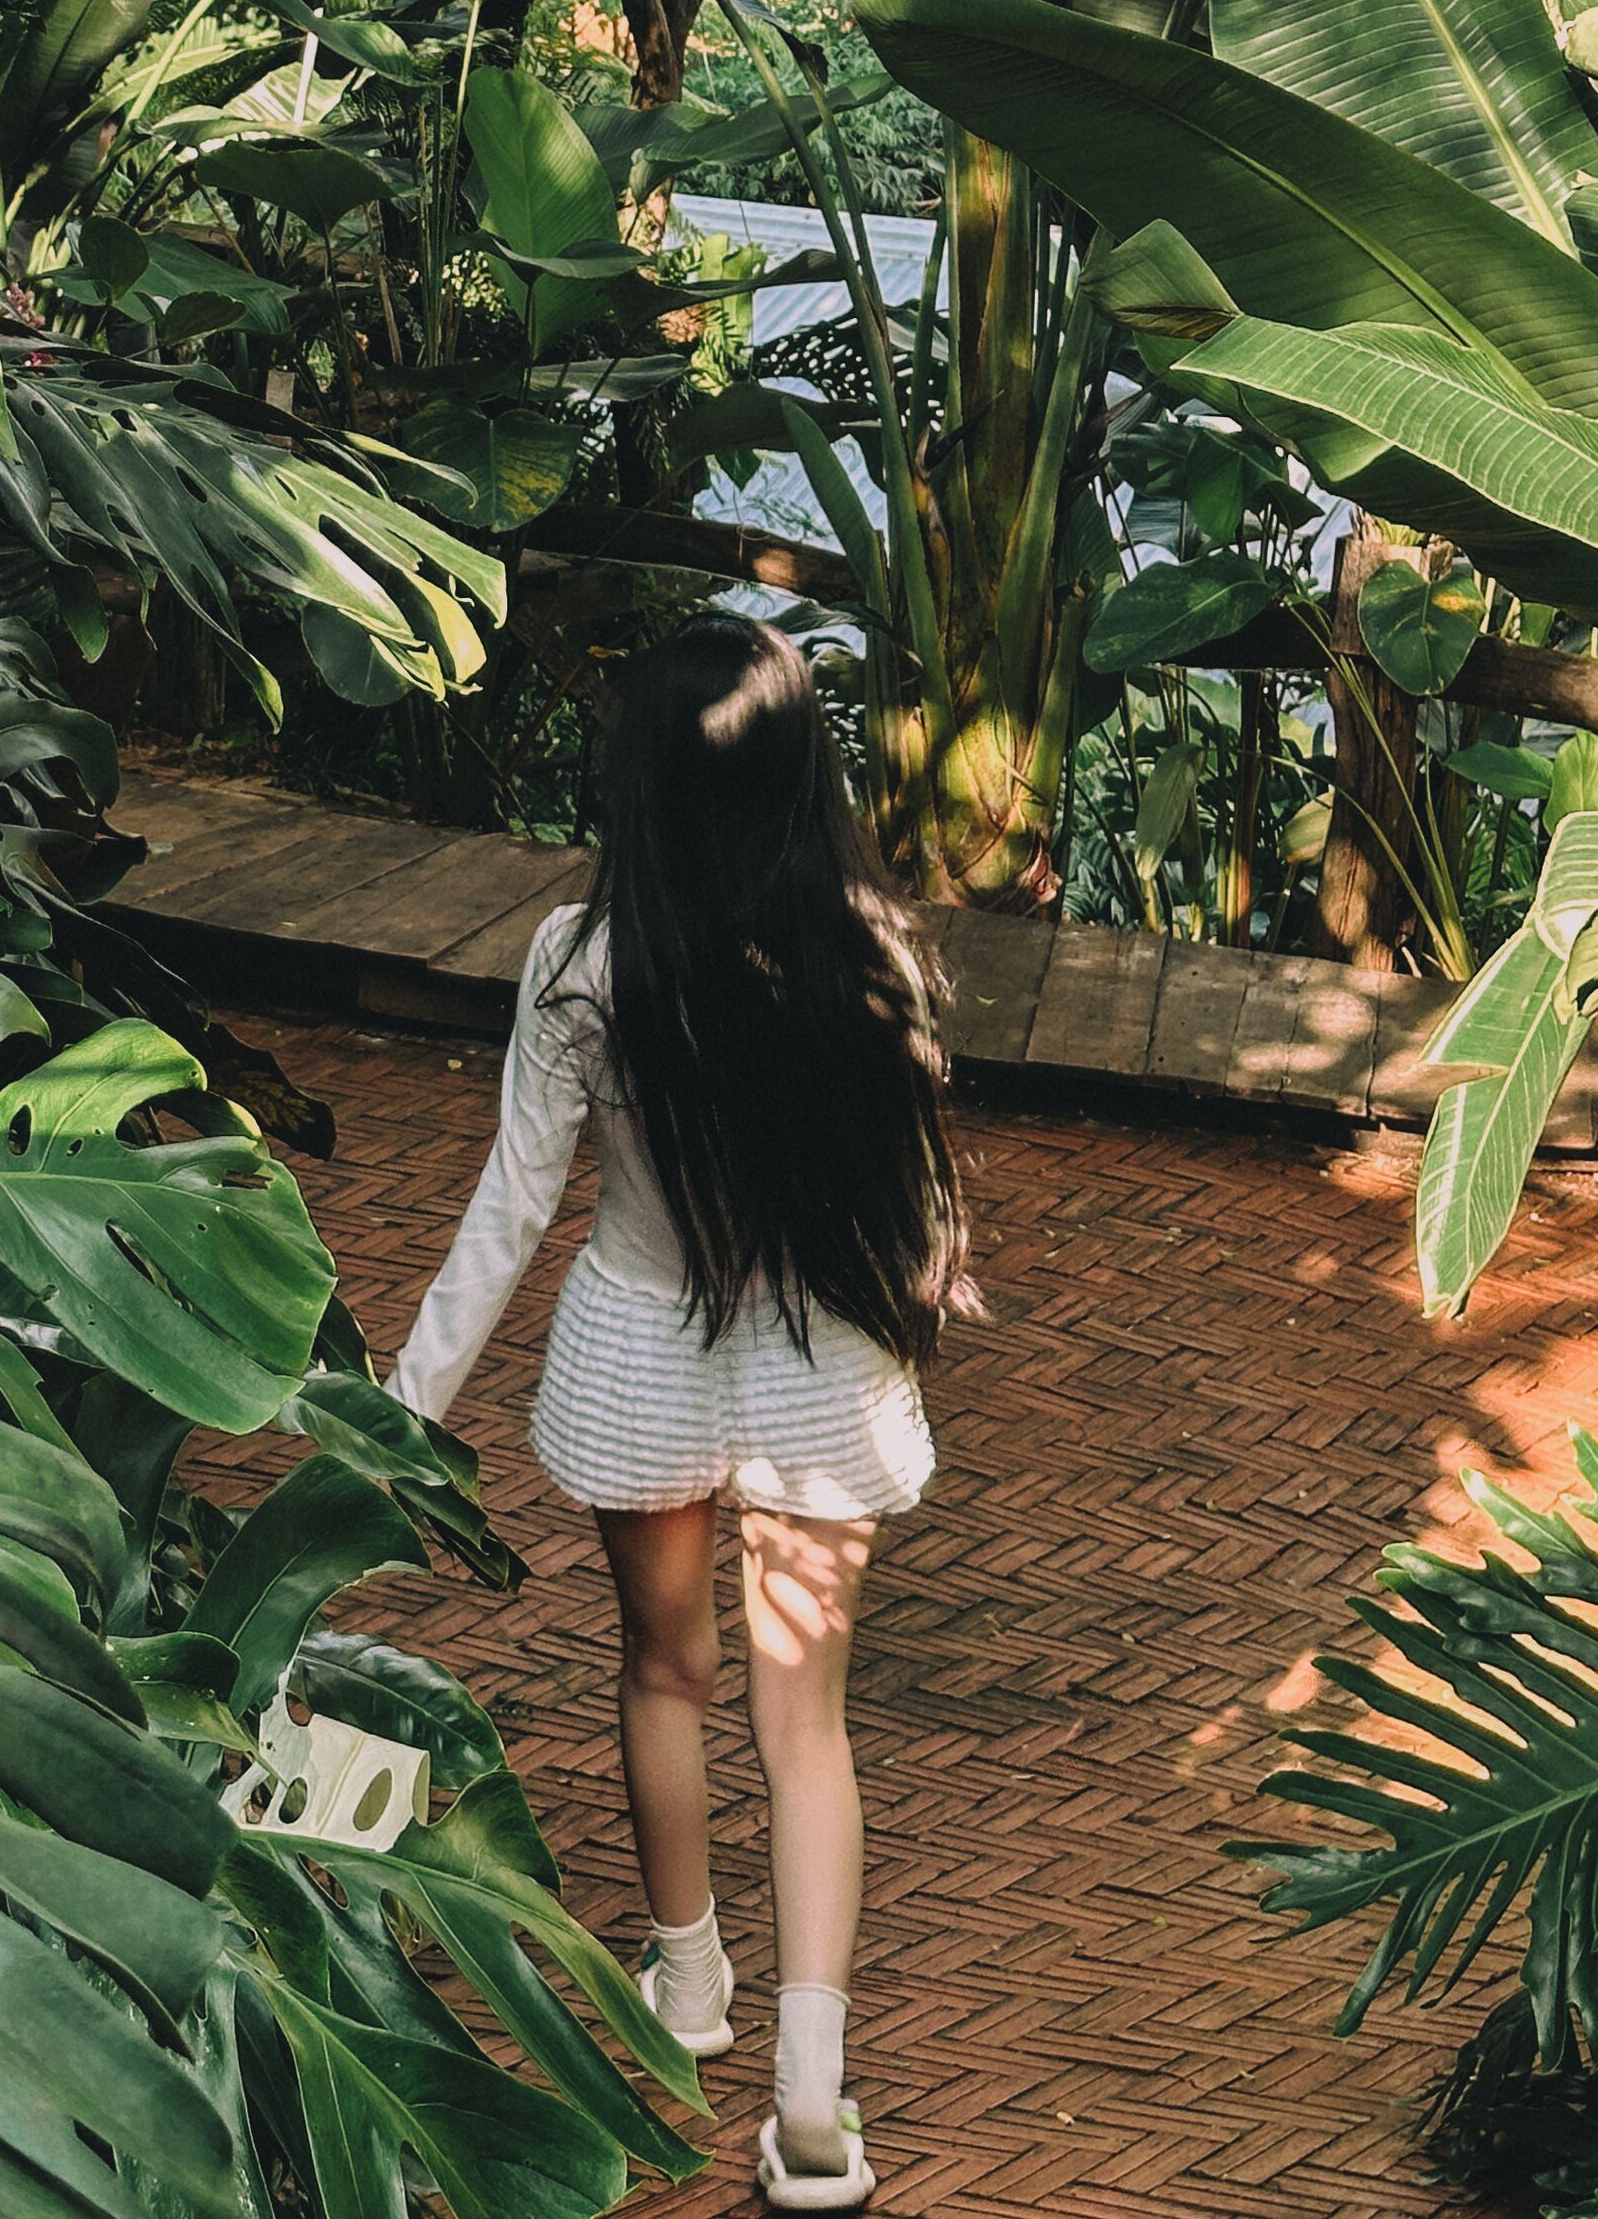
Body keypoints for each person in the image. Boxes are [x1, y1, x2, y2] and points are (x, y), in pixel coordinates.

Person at [385, 615, 966, 2213]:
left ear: (637, 781)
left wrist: (405, 1406)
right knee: (807, 1729)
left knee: (666, 1669)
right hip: (818, 1366)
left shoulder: (583, 963)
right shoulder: (871, 950)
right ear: (801, 768)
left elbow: (511, 1206)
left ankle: (693, 1984)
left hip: (639, 1348)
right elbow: (913, 1214)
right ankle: (810, 2105)